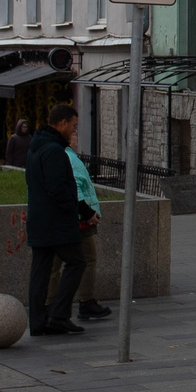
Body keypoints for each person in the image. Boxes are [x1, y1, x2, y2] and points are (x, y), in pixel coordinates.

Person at [23, 105, 93, 336]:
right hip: (56, 222)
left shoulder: (37, 146)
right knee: (77, 262)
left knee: (40, 272)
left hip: (40, 220)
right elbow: (59, 189)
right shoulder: (53, 150)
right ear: (61, 123)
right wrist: (80, 210)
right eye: (73, 126)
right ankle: (59, 315)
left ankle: (38, 322)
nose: (74, 131)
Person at [64, 138, 112, 322]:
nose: (77, 134)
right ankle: (85, 302)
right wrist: (87, 212)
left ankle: (56, 303)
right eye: (74, 128)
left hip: (75, 218)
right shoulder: (68, 156)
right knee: (87, 259)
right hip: (79, 220)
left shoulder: (66, 154)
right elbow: (75, 187)